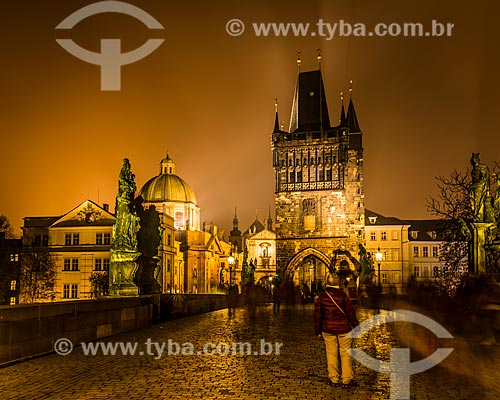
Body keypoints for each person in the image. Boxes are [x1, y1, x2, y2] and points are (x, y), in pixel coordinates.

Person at [315, 273, 360, 388]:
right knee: (345, 354)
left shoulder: (322, 297)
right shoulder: (343, 296)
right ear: (338, 284)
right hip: (344, 329)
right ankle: (346, 380)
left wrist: (318, 330)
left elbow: (318, 315)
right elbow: (351, 313)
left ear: (327, 283)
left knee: (331, 354)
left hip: (328, 329)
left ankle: (334, 379)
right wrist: (356, 326)